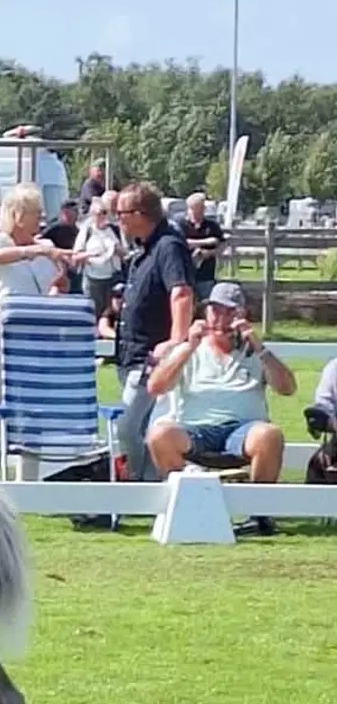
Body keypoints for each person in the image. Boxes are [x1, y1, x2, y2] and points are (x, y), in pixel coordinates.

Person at [145, 282, 295, 535]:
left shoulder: (256, 353)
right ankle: (187, 503)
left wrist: (259, 348)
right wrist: (188, 347)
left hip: (242, 430)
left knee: (269, 434)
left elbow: (287, 388)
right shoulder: (189, 349)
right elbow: (156, 387)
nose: (220, 318)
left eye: (228, 312)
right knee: (160, 435)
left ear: (241, 315)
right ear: (205, 313)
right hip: (195, 429)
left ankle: (257, 515)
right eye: (215, 311)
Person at [0, 183, 80, 478]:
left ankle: (28, 482)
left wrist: (62, 276)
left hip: (35, 334)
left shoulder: (45, 248)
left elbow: (55, 286)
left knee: (32, 413)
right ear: (17, 214)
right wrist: (34, 251)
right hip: (3, 331)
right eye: (35, 212)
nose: (41, 217)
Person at [113, 181, 196, 482]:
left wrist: (175, 341)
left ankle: (139, 482)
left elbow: (182, 293)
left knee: (127, 427)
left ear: (140, 213)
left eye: (121, 212)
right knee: (141, 427)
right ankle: (153, 484)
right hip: (132, 355)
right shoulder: (144, 249)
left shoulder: (168, 246)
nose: (117, 218)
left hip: (151, 359)